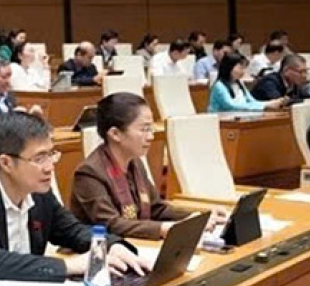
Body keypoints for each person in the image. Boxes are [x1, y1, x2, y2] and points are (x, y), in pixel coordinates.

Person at [0, 112, 149, 286]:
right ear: (6, 163)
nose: (50, 167)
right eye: (39, 158)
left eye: (51, 154)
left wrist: (112, 245)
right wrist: (73, 265)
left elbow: (74, 231)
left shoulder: (38, 193)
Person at [70, 93, 225, 239]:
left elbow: (157, 208)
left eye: (150, 128)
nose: (151, 137)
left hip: (136, 243)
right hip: (105, 253)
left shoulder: (134, 162)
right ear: (115, 134)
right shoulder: (89, 173)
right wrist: (164, 229)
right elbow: (111, 224)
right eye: (144, 129)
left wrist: (200, 215)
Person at [208, 53, 287, 113]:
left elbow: (252, 101)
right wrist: (265, 106)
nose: (243, 71)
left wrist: (271, 102)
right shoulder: (219, 86)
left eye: (244, 68)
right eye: (240, 67)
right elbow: (231, 106)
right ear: (229, 67)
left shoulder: (240, 83)